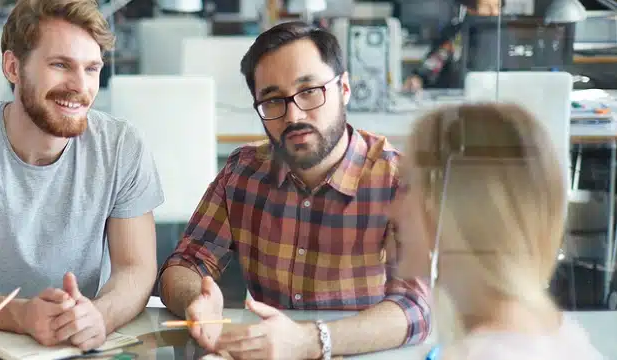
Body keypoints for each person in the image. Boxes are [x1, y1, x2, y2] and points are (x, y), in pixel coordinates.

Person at [157, 21, 431, 360]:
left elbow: (416, 307)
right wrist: (196, 298)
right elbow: (185, 261)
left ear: (344, 88)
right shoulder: (243, 172)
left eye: (309, 91)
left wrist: (310, 341)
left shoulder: (397, 180)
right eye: (272, 100)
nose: (294, 115)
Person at [0, 0, 164, 352]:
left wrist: (100, 315)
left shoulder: (121, 146)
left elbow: (135, 267)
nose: (79, 85)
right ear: (13, 67)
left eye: (91, 69)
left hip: (80, 346)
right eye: (60, 65)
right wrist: (22, 315)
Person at [391, 103, 604, 359]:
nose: (392, 210)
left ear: (458, 208)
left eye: (407, 186)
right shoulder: (557, 333)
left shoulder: (483, 353)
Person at [402, 0, 501, 91]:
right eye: (487, 7)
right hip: (458, 97)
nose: (495, 12)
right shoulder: (457, 34)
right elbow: (437, 60)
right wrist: (419, 78)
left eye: (498, 6)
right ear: (470, 9)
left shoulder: (509, 31)